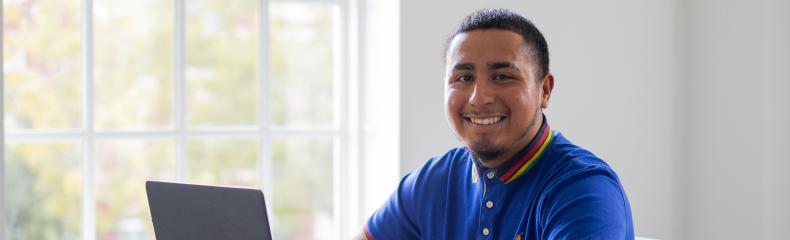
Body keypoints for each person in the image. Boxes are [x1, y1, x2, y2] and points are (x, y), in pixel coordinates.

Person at [359, 8, 633, 239]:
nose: (479, 98)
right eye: (463, 78)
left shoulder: (583, 189)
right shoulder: (432, 181)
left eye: (502, 76)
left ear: (544, 90)